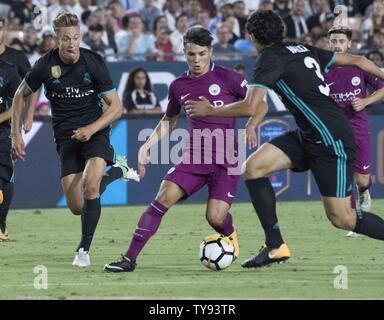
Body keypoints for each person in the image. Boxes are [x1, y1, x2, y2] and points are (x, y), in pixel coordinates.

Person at [185, 10, 384, 268]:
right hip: (310, 134)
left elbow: (250, 105)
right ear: (282, 31)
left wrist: (210, 110)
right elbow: (357, 60)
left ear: (252, 36)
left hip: (331, 139)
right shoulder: (300, 47)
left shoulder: (269, 58)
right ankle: (275, 246)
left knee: (342, 218)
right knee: (255, 168)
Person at [104, 26, 256, 272]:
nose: (197, 60)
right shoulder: (179, 85)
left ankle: (231, 236)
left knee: (215, 218)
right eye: (191, 55)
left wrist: (252, 123)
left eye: (202, 54)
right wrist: (148, 145)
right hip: (194, 158)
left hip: (226, 160)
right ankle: (129, 258)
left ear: (210, 52)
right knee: (162, 197)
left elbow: (256, 105)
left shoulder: (229, 78)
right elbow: (169, 120)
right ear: (184, 53)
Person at [11, 12, 140, 267]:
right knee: (76, 206)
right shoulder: (44, 65)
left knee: (90, 186)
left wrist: (92, 129)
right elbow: (19, 95)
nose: (72, 44)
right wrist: (17, 133)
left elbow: (116, 107)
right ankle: (116, 171)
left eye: (76, 37)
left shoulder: (93, 62)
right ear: (56, 39)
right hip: (66, 137)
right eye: (66, 39)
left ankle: (83, 250)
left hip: (95, 132)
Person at [326, 26, 384, 237]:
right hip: (334, 132)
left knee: (361, 179)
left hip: (358, 130)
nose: (337, 45)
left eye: (341, 41)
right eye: (333, 41)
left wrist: (366, 100)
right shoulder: (322, 69)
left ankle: (364, 192)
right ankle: (353, 219)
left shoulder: (360, 65)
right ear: (328, 43)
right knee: (344, 175)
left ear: (349, 44)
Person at [0, 15, 38, 241]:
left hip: (7, 126)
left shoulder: (15, 60)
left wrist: (29, 116)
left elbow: (30, 89)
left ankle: (1, 223)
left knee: (5, 175)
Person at [0, 61, 21, 240]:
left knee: (5, 178)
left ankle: (1, 225)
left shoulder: (8, 69)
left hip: (2, 133)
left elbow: (18, 102)